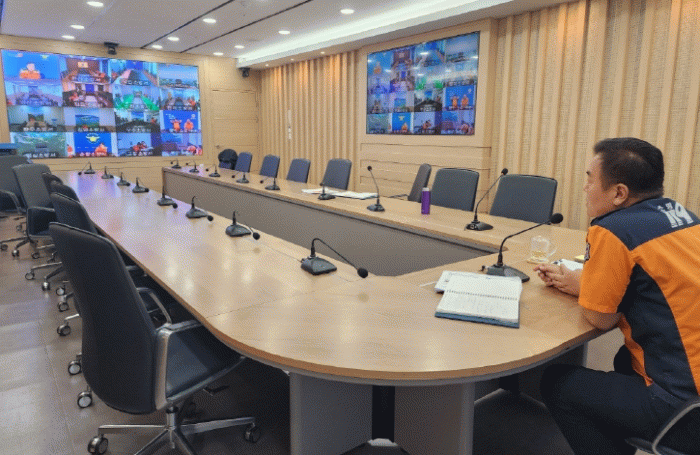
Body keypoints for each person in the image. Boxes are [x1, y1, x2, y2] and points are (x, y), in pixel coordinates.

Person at [534, 137, 700, 455]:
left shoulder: (613, 228)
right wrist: (587, 282)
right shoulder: (684, 216)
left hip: (686, 409)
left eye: (590, 179)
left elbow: (601, 318)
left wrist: (585, 286)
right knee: (624, 359)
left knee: (557, 383)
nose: (585, 188)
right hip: (692, 380)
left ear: (619, 193)